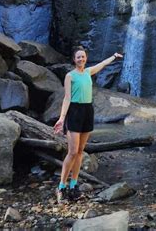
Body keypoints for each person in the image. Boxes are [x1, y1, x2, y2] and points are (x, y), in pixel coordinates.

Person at [53, 45, 123, 203]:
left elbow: (102, 64)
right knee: (72, 152)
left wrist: (114, 56)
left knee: (80, 152)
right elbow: (67, 98)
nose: (81, 59)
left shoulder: (88, 72)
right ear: (74, 59)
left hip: (87, 111)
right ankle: (61, 187)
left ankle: (74, 186)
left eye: (83, 56)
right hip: (74, 112)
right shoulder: (70, 76)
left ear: (86, 58)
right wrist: (62, 118)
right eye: (78, 57)